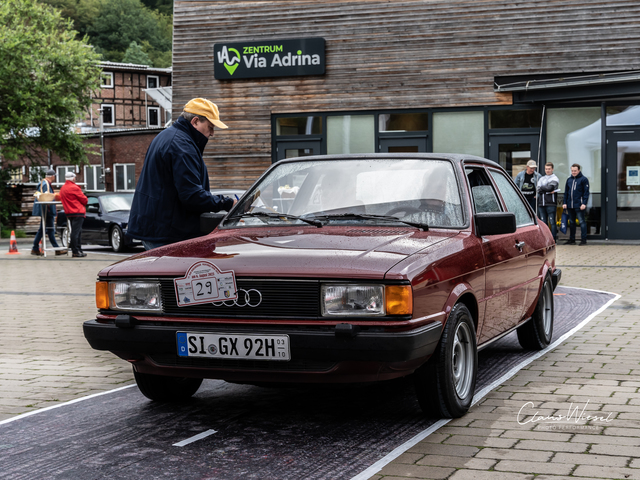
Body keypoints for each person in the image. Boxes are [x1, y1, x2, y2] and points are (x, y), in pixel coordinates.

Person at [127, 98, 237, 250]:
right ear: (195, 121)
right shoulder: (182, 146)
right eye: (210, 127)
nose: (212, 133)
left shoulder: (167, 137)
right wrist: (228, 203)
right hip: (167, 234)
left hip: (158, 229)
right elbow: (192, 195)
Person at [31, 169, 67, 256]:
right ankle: (55, 249)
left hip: (46, 210)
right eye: (54, 176)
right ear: (52, 176)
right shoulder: (45, 184)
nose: (55, 177)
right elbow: (46, 196)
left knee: (44, 229)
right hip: (47, 210)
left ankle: (36, 248)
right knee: (50, 229)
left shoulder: (43, 183)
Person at [59, 171, 88, 257]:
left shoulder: (63, 188)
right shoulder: (75, 188)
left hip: (69, 212)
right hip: (78, 211)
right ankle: (76, 251)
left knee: (75, 231)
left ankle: (78, 250)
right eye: (75, 178)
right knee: (76, 232)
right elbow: (84, 200)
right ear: (73, 178)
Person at [562, 163, 590, 245]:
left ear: (579, 170)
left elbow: (586, 193)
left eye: (575, 171)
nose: (573, 172)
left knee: (582, 222)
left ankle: (583, 240)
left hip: (579, 205)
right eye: (572, 171)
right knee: (572, 222)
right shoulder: (569, 180)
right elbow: (566, 192)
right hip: (570, 205)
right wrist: (565, 202)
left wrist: (584, 203)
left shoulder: (584, 179)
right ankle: (572, 239)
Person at [537, 162, 560, 241]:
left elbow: (550, 188)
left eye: (549, 169)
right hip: (541, 203)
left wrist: (543, 188)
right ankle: (545, 239)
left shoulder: (555, 178)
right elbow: (538, 189)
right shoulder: (541, 178)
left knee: (552, 222)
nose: (547, 170)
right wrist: (545, 189)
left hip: (551, 203)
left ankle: (553, 239)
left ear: (552, 169)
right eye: (546, 169)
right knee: (543, 222)